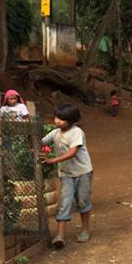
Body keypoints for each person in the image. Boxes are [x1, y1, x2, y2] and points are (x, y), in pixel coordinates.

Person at [41, 104, 93, 248]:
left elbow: (73, 152)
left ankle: (85, 229)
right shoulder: (55, 133)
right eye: (57, 117)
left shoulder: (77, 132)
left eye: (62, 119)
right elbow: (42, 142)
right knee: (64, 202)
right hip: (66, 174)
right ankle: (60, 235)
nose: (57, 121)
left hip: (83, 171)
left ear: (71, 120)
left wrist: (52, 160)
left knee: (83, 201)